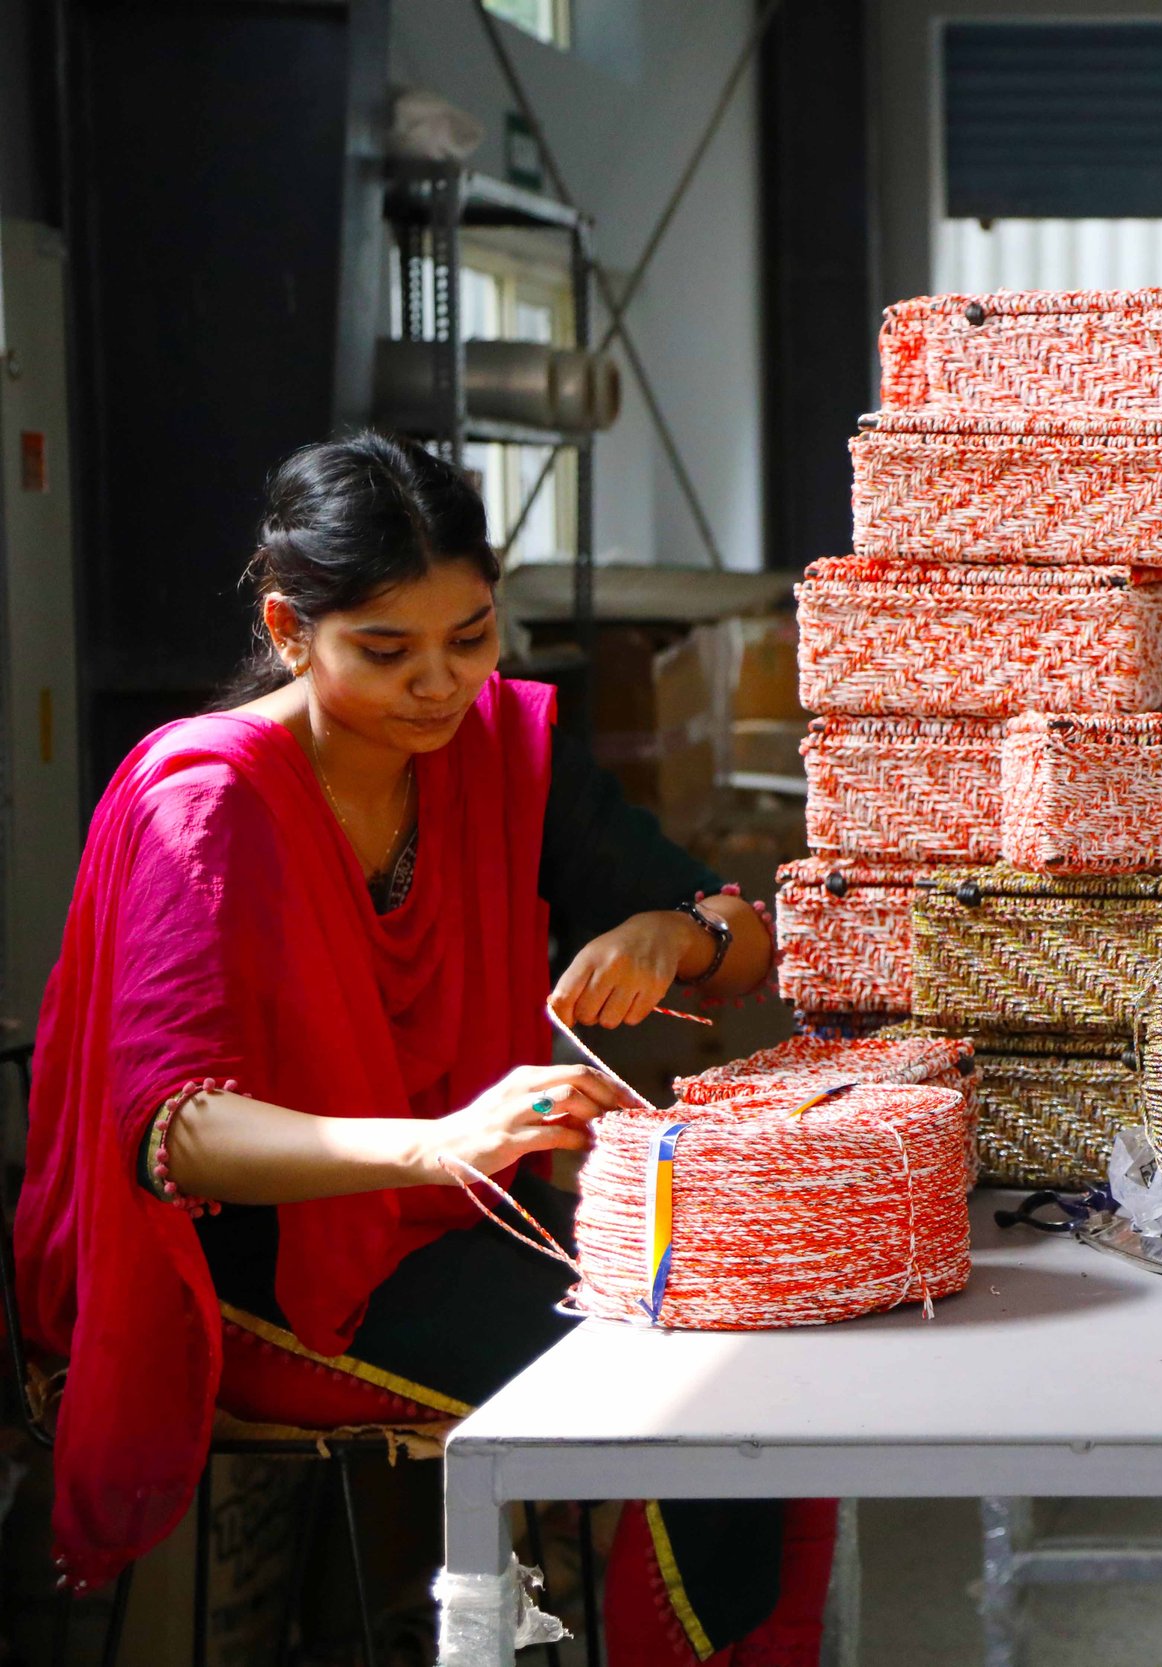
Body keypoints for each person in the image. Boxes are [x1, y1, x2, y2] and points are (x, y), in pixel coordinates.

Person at [16, 433, 826, 1665]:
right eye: (388, 652)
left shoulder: (499, 749)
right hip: (263, 1270)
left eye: (473, 636)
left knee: (770, 1333)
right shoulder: (211, 803)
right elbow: (175, 1136)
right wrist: (438, 1141)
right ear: (290, 629)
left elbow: (749, 937)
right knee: (698, 1400)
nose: (441, 685)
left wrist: (672, 932)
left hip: (456, 1218)